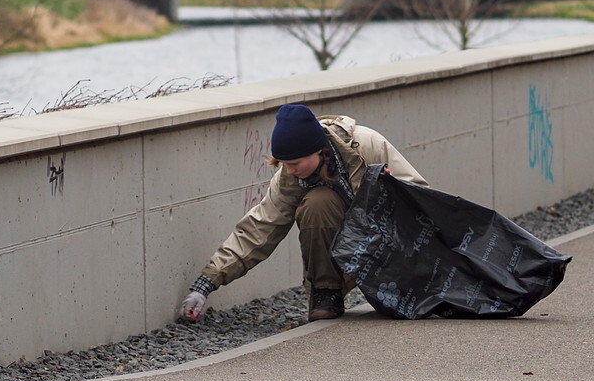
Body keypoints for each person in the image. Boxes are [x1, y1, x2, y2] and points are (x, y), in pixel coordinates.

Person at [179, 103, 428, 323]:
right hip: (351, 253)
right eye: (284, 164)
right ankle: (326, 293)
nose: (289, 171)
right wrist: (205, 284)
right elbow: (258, 230)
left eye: (295, 164)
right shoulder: (289, 181)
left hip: (393, 244)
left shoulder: (366, 146)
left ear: (318, 151)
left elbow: (419, 195)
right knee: (317, 203)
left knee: (416, 306)